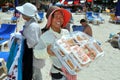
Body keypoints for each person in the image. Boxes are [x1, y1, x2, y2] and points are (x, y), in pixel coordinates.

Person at [40, 6, 77, 80]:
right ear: (50, 19)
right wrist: (47, 51)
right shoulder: (45, 36)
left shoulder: (66, 32)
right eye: (56, 16)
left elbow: (70, 49)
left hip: (71, 70)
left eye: (61, 16)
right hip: (58, 73)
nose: (59, 19)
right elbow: (36, 53)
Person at [16, 3, 41, 80]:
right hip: (30, 53)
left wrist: (21, 39)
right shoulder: (30, 24)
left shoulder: (33, 26)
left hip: (32, 54)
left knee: (33, 73)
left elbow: (31, 43)